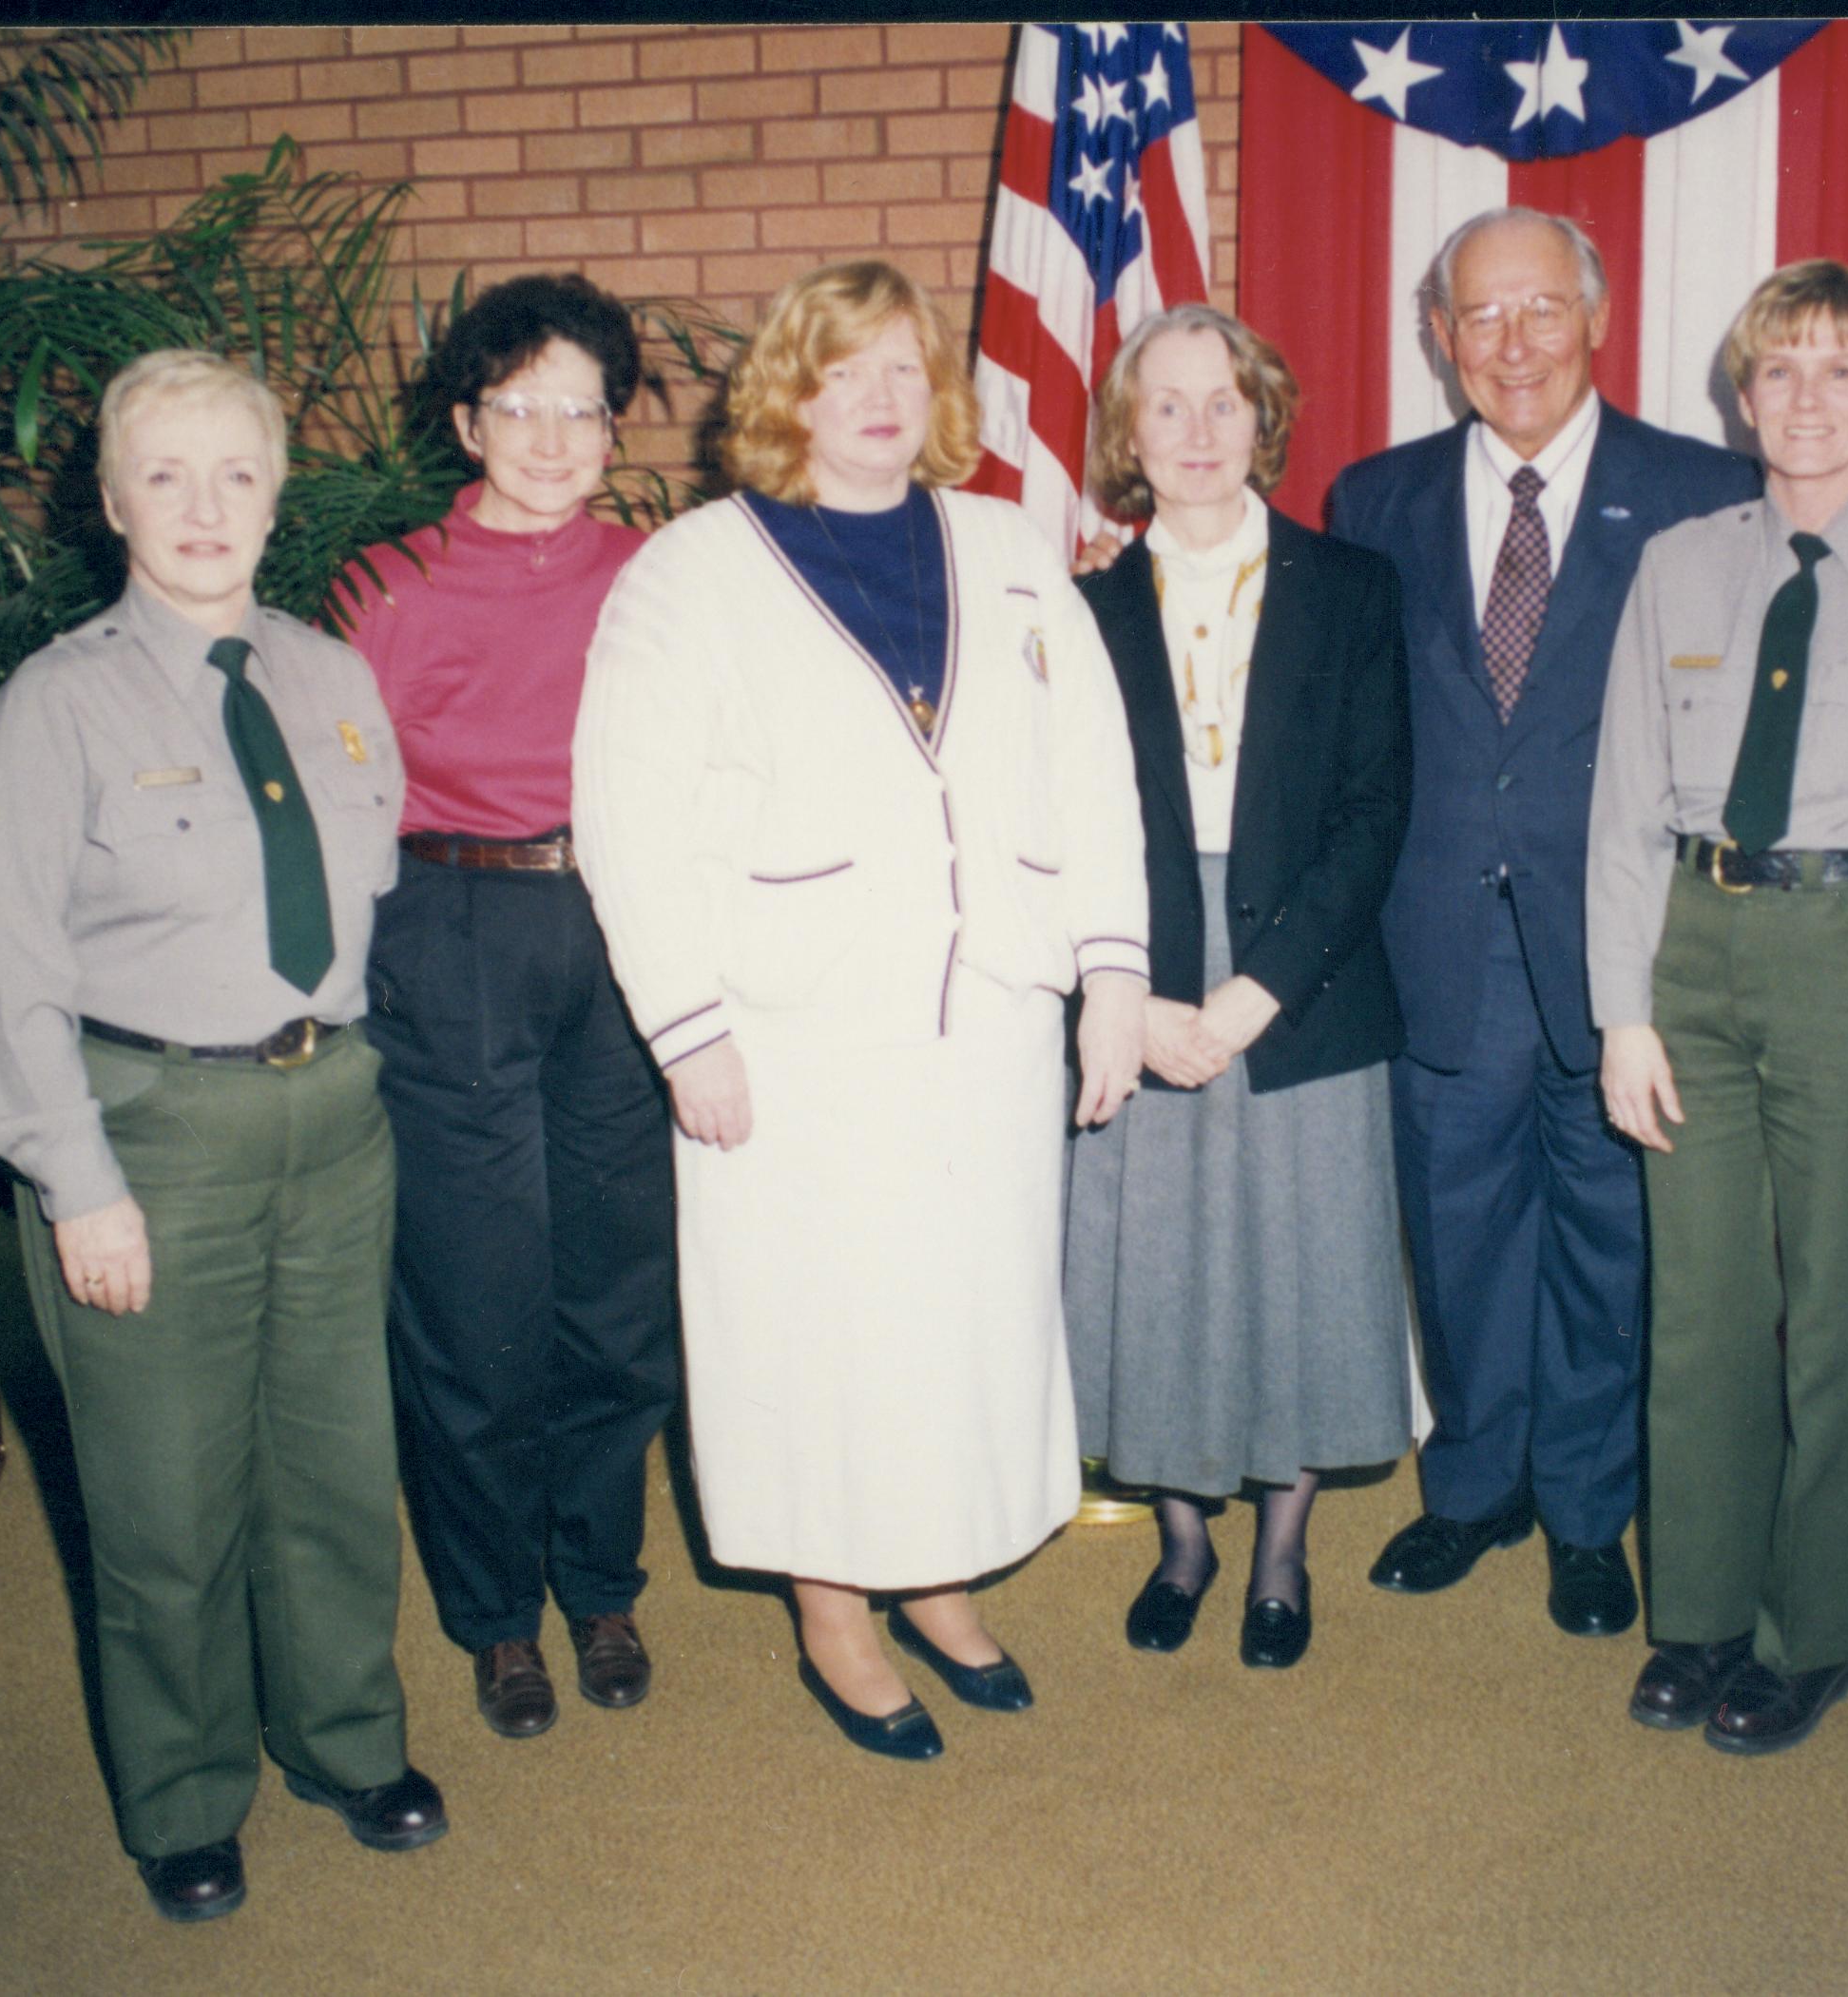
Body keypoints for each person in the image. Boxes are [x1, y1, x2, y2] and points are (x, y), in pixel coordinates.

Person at [571, 260, 1147, 1761]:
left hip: (987, 1016)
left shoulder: (1006, 544)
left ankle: (940, 1580)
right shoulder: (692, 569)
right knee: (816, 1331)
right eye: (847, 372)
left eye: (906, 369)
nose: (882, 401)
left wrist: (1113, 972)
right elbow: (625, 811)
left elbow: (1092, 766)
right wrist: (684, 1024)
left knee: (960, 1315)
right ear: (790, 391)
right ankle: (835, 1608)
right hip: (790, 1030)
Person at [0, 351, 441, 1923]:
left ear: (277, 492)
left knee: (336, 1462)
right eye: (164, 474)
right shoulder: (54, 707)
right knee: (167, 1497)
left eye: (235, 471)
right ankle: (183, 1792)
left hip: (330, 1120)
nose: (204, 506)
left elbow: (366, 908)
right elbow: (8, 977)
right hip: (150, 1133)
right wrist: (76, 1185)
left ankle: (349, 1737)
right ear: (109, 503)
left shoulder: (330, 678)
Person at [1585, 260, 1848, 1756]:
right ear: (1744, 395)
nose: (1810, 399)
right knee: (1700, 1310)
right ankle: (1698, 1614)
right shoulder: (1681, 564)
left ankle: (1815, 1630)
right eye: (1782, 372)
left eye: (1841, 372)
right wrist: (1622, 1013)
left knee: (1838, 1304)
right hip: (1693, 948)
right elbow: (1627, 802)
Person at [1324, 207, 1759, 1634]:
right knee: (1455, 1233)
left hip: (1623, 947)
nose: (1511, 346)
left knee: (1607, 1232)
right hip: (1438, 934)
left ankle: (1585, 1509)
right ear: (1439, 339)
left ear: (1598, 318)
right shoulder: (1370, 499)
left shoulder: (1703, 490)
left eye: (1540, 312)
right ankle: (1472, 1488)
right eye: (1479, 318)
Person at [336, 274, 681, 1741]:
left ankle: (599, 1578)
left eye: (582, 406)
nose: (552, 435)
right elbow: (339, 802)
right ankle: (495, 1618)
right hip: (452, 924)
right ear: (469, 419)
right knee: (475, 1308)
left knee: (614, 1286)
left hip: (627, 926)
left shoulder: (664, 571)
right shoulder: (383, 584)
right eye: (519, 405)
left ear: (615, 427)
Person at [1063, 304, 1414, 1670]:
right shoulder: (1082, 610)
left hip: (1304, 976)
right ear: (1128, 434)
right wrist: (1134, 994)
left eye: (1225, 404)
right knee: (1159, 1268)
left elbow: (1380, 807)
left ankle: (1279, 1549)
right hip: (1134, 970)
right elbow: (1057, 822)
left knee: (1301, 1267)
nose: (1199, 433)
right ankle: (1184, 1542)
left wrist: (1259, 988)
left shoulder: (1353, 588)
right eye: (1168, 407)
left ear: (1264, 418)